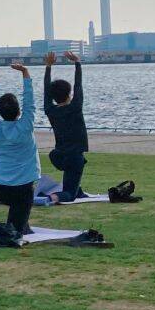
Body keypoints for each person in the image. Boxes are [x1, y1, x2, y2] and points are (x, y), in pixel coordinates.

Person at [0, 64, 39, 236]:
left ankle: (22, 225)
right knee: (15, 230)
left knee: (19, 211)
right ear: (19, 111)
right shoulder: (26, 125)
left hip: (0, 188)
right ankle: (4, 228)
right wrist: (25, 73)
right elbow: (29, 101)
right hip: (23, 188)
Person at [43, 51, 90, 201]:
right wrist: (77, 63)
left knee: (73, 175)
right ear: (69, 94)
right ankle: (51, 198)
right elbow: (78, 85)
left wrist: (48, 66)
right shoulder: (75, 107)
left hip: (58, 156)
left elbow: (46, 91)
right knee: (69, 195)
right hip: (73, 157)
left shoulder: (50, 110)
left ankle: (78, 190)